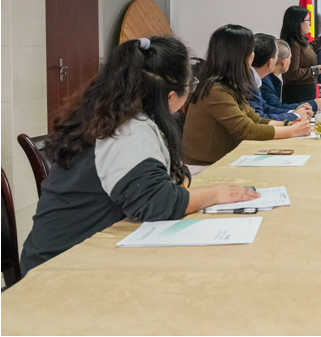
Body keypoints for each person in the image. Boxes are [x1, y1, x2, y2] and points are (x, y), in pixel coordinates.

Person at [20, 37, 261, 274]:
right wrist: (215, 193)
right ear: (170, 96)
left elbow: (162, 183)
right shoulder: (128, 130)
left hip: (76, 253)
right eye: (191, 84)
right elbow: (159, 204)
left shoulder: (109, 114)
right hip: (61, 268)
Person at [182, 25, 311, 167]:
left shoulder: (230, 83)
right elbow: (246, 129)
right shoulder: (216, 88)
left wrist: (288, 124)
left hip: (221, 160)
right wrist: (291, 131)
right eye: (251, 51)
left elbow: (254, 118)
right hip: (204, 166)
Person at [279, 6, 321, 103]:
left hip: (305, 92)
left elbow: (311, 47)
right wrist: (314, 70)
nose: (310, 24)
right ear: (298, 23)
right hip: (298, 95)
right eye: (308, 20)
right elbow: (292, 73)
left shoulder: (299, 42)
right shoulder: (293, 44)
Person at [248, 33, 313, 122]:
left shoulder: (254, 79)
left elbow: (266, 108)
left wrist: (294, 112)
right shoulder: (249, 82)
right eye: (276, 56)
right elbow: (259, 118)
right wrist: (295, 115)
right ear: (271, 62)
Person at [261, 39, 321, 113]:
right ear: (284, 62)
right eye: (290, 58)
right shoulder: (264, 82)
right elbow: (277, 109)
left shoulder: (269, 79)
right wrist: (314, 105)